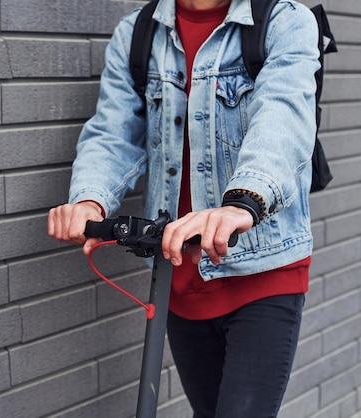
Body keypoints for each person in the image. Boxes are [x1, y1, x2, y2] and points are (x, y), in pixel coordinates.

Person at [48, 0, 320, 416]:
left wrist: (241, 203)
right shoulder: (138, 32)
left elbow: (284, 118)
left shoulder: (284, 21)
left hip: (263, 270)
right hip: (178, 274)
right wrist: (89, 198)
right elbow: (113, 131)